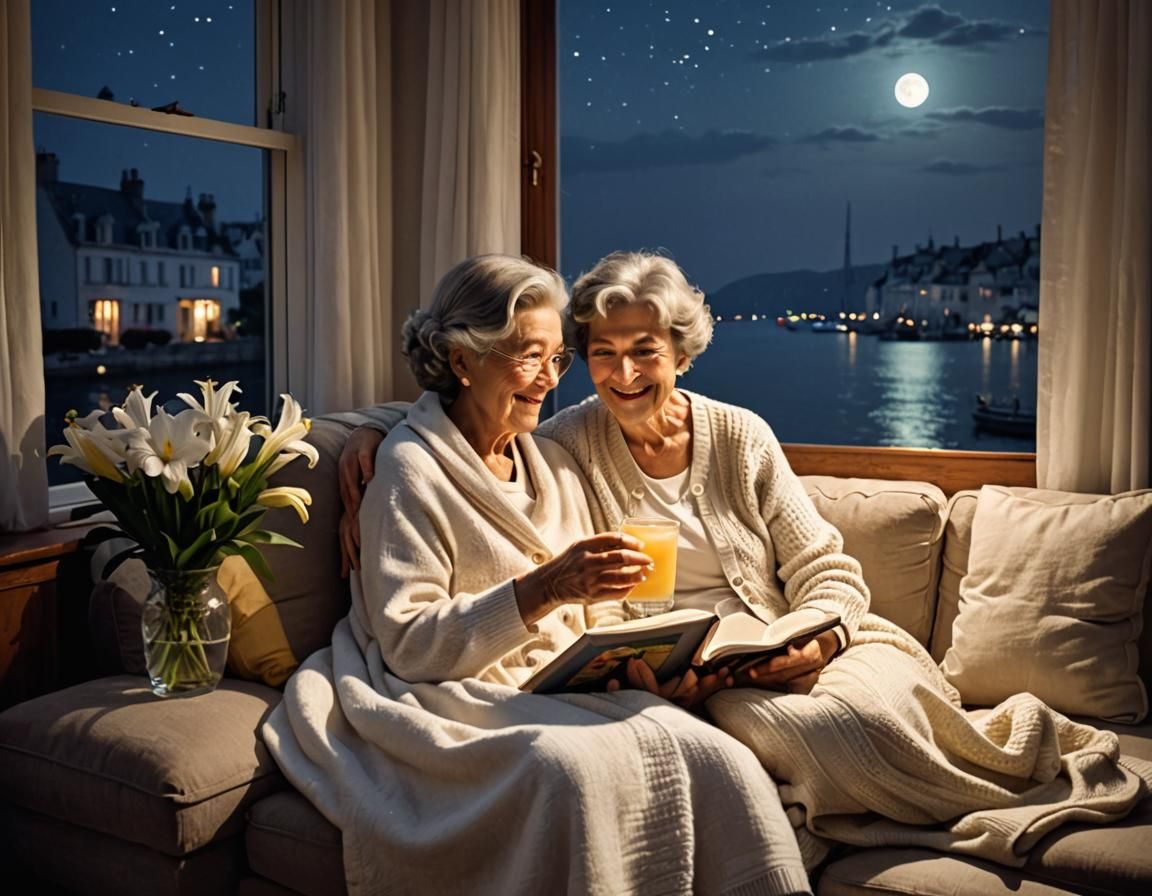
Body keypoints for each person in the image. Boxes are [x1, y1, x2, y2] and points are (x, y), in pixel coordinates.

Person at [338, 250, 1152, 871]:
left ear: (680, 351)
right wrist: (365, 436)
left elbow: (828, 571)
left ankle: (996, 769)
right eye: (599, 353)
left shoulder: (738, 436)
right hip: (689, 670)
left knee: (882, 695)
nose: (620, 374)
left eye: (645, 350)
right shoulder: (563, 445)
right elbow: (462, 425)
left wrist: (816, 638)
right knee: (826, 731)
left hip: (786, 637)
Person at [264, 254, 814, 896]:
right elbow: (411, 647)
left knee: (722, 758)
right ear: (463, 360)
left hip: (558, 683)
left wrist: (633, 669)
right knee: (569, 772)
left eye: (557, 360)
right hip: (451, 695)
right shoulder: (407, 472)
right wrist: (544, 588)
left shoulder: (551, 459)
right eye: (529, 357)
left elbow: (599, 615)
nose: (548, 381)